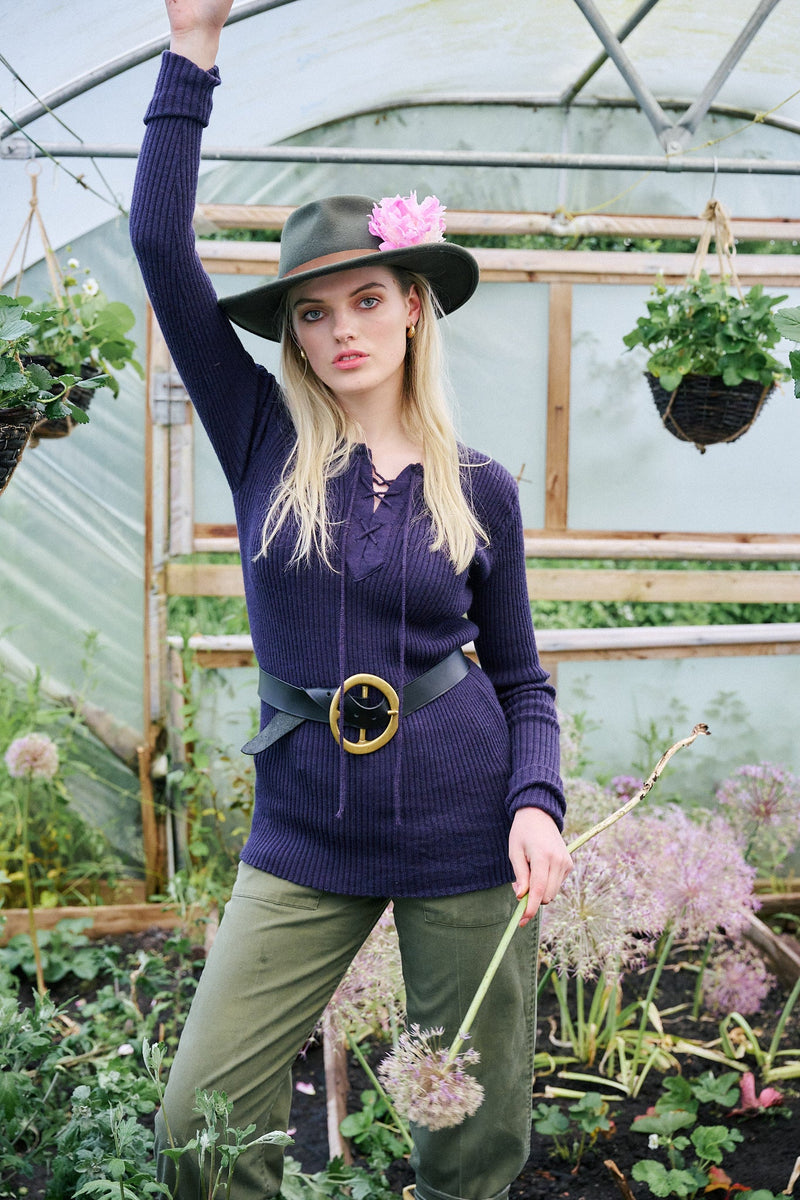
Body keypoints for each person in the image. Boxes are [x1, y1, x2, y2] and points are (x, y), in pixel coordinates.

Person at [130, 3, 572, 1198]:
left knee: (466, 1141)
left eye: (366, 299)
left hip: (464, 825)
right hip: (304, 833)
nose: (339, 331)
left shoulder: (476, 485)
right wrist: (193, 48)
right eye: (313, 313)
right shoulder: (262, 437)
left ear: (413, 304)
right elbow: (162, 249)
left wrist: (535, 801)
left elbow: (521, 676)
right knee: (199, 1130)